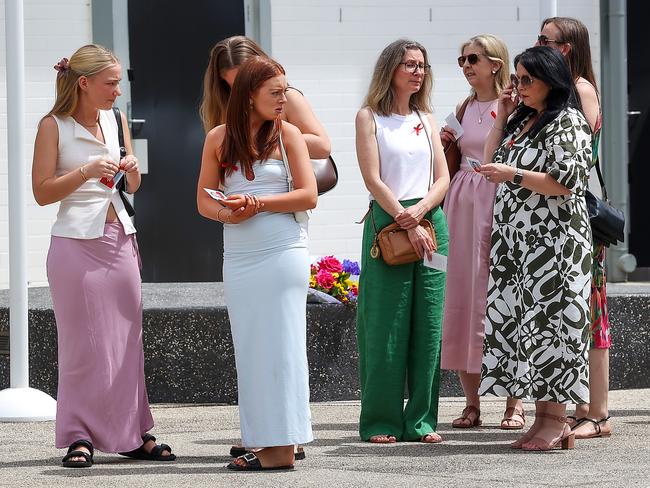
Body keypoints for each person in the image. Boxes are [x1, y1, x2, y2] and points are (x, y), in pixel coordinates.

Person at [32, 44, 175, 468]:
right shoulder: (52, 126)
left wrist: (131, 171)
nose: (117, 90)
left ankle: (132, 434)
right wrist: (84, 172)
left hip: (120, 240)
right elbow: (41, 192)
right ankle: (78, 435)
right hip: (75, 246)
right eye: (111, 83)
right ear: (84, 83)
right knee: (82, 346)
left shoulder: (116, 119)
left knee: (128, 342)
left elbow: (132, 187)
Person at [200, 35, 328, 461]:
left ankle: (281, 447)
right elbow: (203, 199)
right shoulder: (218, 137)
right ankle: (270, 438)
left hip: (282, 250)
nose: (283, 99)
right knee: (252, 347)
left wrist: (257, 204)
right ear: (247, 94)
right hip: (238, 256)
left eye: (283, 91)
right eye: (274, 93)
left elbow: (308, 195)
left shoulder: (288, 133)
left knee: (284, 345)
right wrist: (226, 214)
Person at [478, 46, 593, 451]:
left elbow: (566, 181)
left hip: (555, 246)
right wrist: (504, 117)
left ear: (553, 80)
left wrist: (515, 173)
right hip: (519, 245)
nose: (519, 86)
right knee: (528, 327)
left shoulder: (568, 121)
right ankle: (543, 418)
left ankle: (555, 419)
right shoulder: (525, 119)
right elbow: (489, 164)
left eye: (528, 79)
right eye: (517, 79)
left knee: (553, 327)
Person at [355, 39, 450, 444]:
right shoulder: (368, 117)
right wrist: (404, 217)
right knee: (384, 325)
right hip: (388, 226)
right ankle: (380, 421)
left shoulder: (426, 118)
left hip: (432, 228)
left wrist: (422, 212)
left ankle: (422, 421)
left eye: (422, 65)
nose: (417, 71)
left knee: (430, 324)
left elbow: (443, 178)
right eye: (409, 64)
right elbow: (372, 178)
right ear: (390, 69)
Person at [440, 35, 526, 430]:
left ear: (496, 63)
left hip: (501, 199)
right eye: (461, 60)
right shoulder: (463, 106)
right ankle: (471, 402)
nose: (465, 65)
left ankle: (515, 403)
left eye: (472, 58)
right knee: (462, 296)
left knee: (504, 295)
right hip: (462, 201)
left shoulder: (515, 104)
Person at [537, 16, 612, 440]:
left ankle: (596, 412)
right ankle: (582, 407)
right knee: (575, 311)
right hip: (559, 216)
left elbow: (574, 158)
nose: (538, 43)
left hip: (576, 216)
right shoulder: (564, 89)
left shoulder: (580, 89)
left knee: (590, 310)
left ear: (565, 48)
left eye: (545, 39)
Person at [200, 35, 330, 159]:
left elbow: (323, 147)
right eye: (237, 85)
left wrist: (266, 140)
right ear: (223, 83)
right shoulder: (223, 105)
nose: (245, 90)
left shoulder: (288, 98)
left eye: (250, 81)